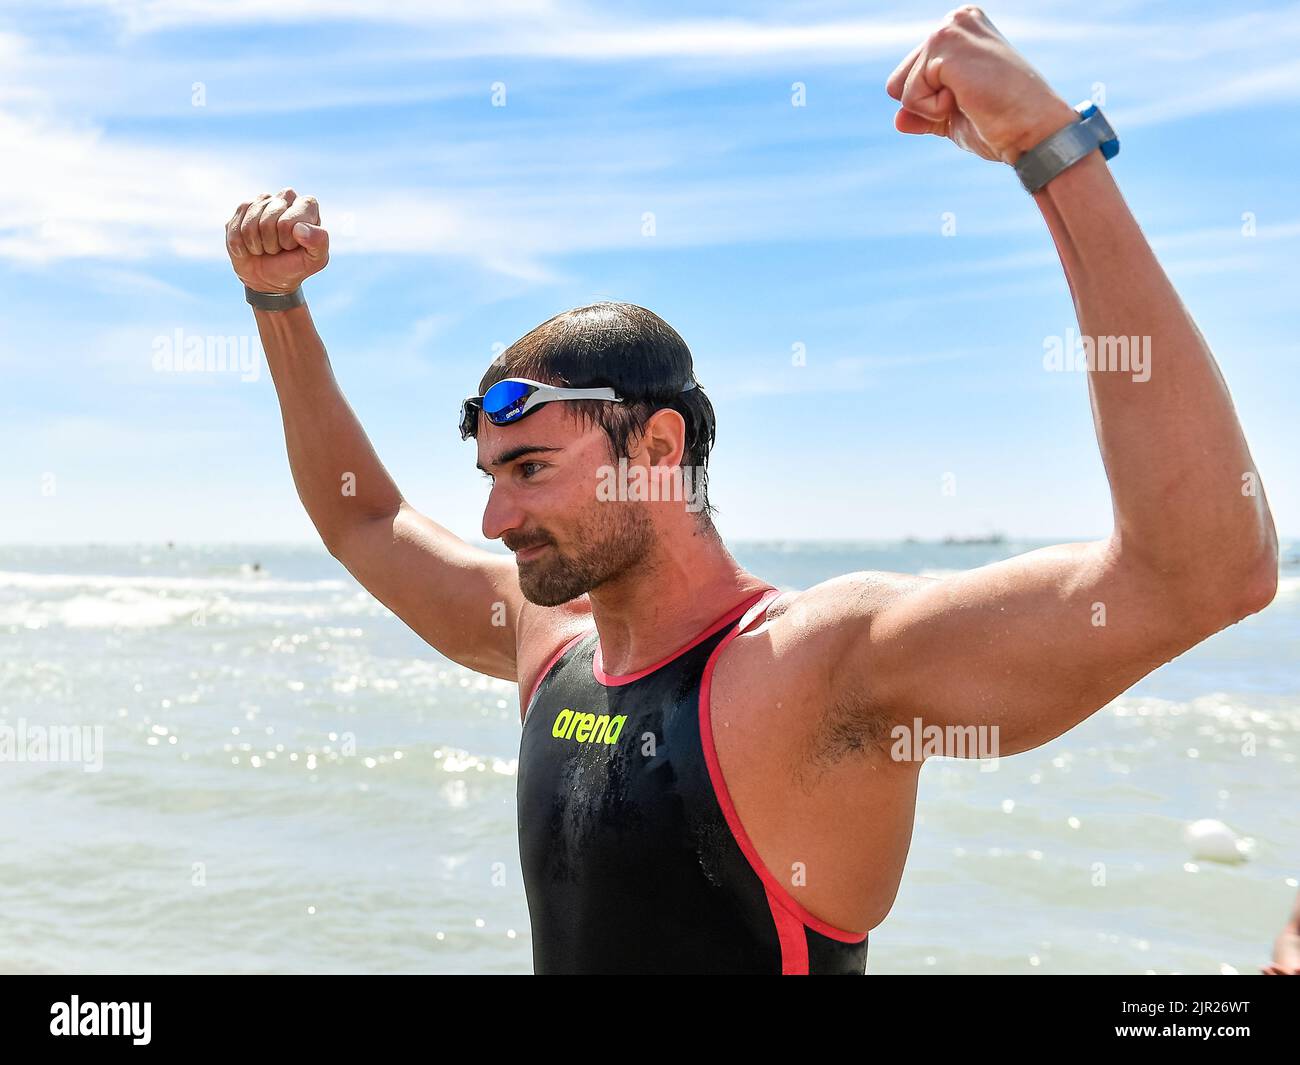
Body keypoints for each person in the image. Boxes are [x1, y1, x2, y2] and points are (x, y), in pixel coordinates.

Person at [222, 7, 1278, 974]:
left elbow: (1198, 576)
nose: (497, 521)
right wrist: (278, 305)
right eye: (492, 479)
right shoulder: (549, 648)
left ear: (658, 445)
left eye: (532, 470)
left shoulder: (824, 668)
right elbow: (364, 515)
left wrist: (1055, 156)